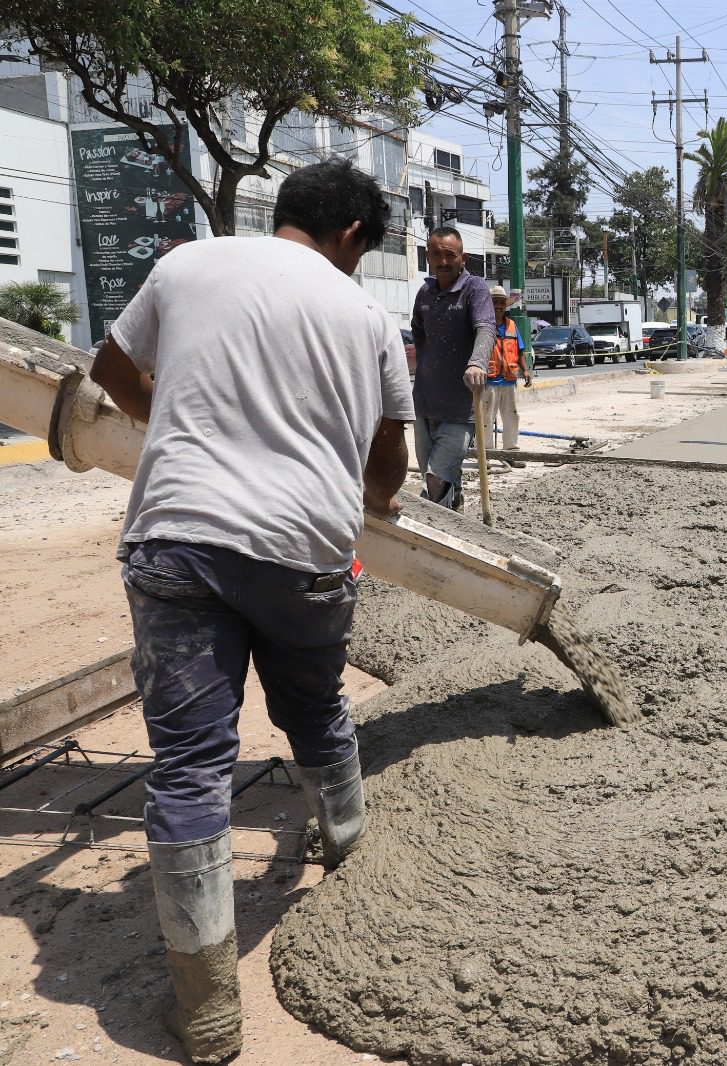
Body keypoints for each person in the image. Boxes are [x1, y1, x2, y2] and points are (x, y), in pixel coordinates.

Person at [87, 158, 412, 1063]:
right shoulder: (367, 318)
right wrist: (365, 490)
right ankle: (348, 861)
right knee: (315, 708)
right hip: (302, 551)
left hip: (178, 536)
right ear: (350, 236)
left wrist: (177, 432)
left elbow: (111, 367)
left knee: (190, 762)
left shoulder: (187, 264)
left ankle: (207, 1013)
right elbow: (386, 475)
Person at [411, 225, 494, 509]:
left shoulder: (474, 289)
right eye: (436, 255)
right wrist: (424, 366)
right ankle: (455, 513)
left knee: (434, 480)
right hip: (424, 405)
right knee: (438, 478)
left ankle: (436, 535)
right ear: (427, 258)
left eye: (449, 255)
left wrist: (476, 362)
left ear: (463, 258)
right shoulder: (424, 293)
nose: (443, 261)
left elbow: (485, 326)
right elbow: (418, 333)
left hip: (460, 408)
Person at [485, 285, 524, 449]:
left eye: (501, 302)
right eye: (495, 302)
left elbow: (519, 350)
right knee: (486, 419)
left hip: (509, 380)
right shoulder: (483, 327)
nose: (498, 306)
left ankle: (511, 450)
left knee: (512, 417)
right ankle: (485, 454)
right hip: (489, 381)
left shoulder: (512, 326)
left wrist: (526, 371)